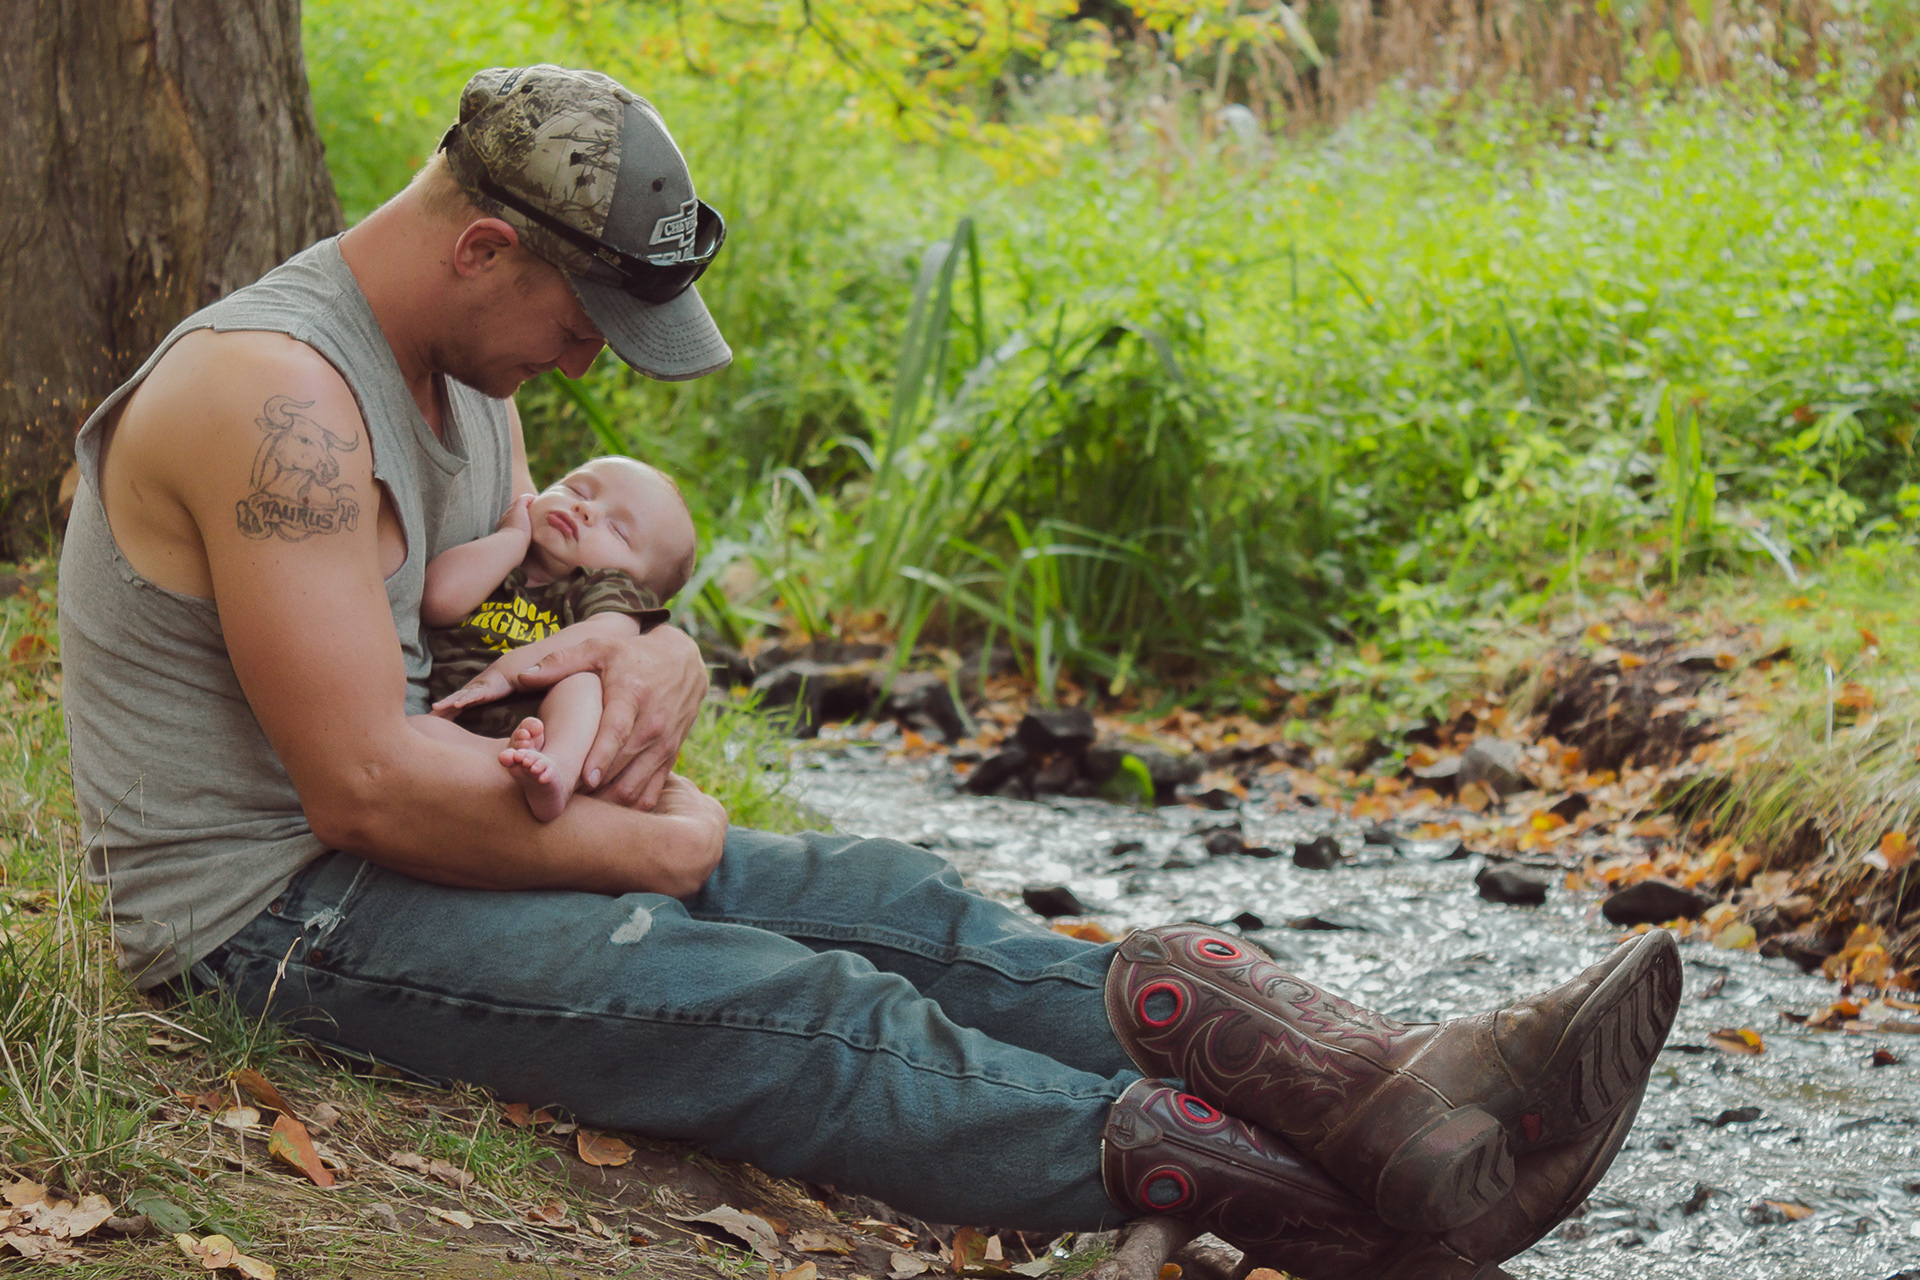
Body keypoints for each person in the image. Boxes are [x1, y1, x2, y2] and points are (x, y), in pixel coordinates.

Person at [58, 64, 1679, 1279]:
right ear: (485, 246)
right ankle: (1374, 1223)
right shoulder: (270, 399)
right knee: (792, 1005)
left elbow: (503, 636)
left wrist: (639, 635)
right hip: (275, 918)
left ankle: (1393, 1090)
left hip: (434, 839)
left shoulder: (468, 382)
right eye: (585, 326)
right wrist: (669, 844)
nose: (591, 363)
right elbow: (360, 784)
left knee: (894, 900)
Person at [414, 455, 695, 820]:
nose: (585, 509)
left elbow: (608, 633)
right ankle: (510, 761)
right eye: (577, 489)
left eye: (618, 531)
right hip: (466, 728)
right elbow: (437, 600)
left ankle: (559, 770)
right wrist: (512, 538)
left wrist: (504, 673)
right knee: (411, 732)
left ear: (640, 585)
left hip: (555, 725)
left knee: (582, 680)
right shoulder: (501, 555)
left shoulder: (603, 589)